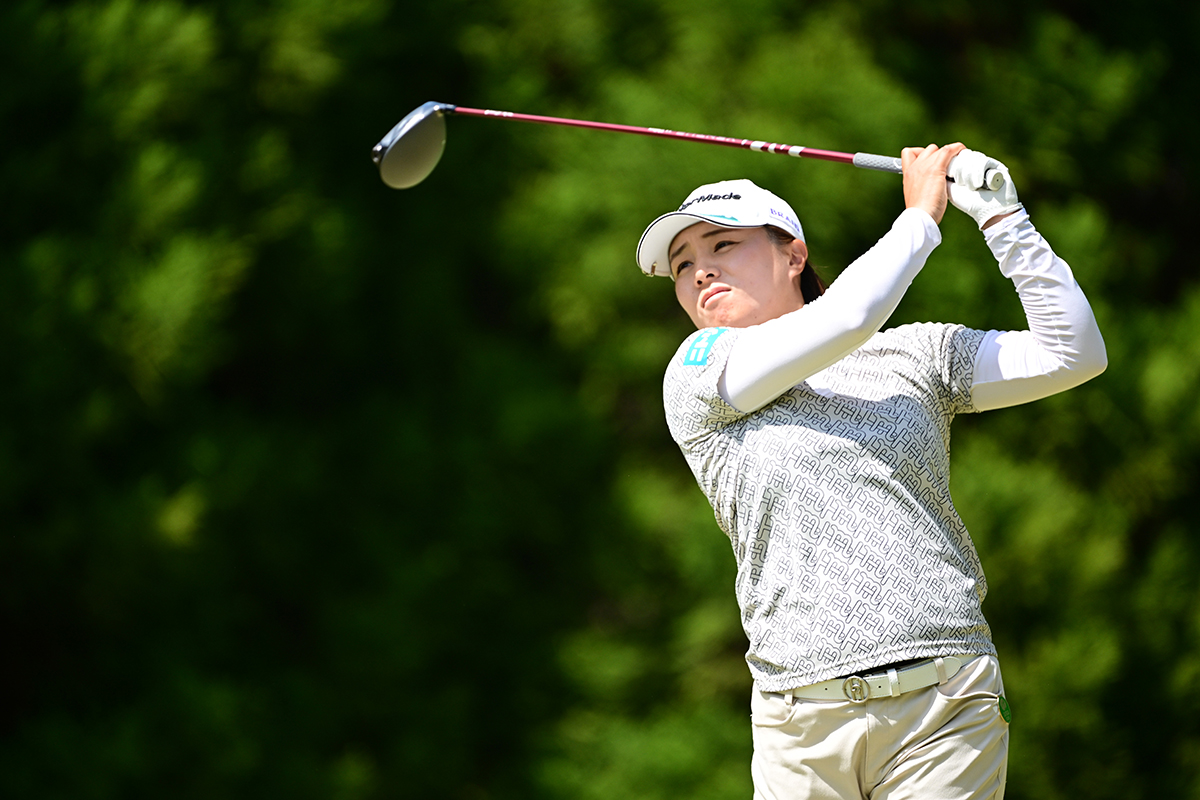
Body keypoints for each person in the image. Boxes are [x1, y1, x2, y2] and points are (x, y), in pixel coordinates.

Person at [634, 143, 1107, 800]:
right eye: (682, 265)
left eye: (722, 247)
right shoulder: (699, 370)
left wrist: (1003, 218)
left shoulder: (914, 354)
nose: (700, 273)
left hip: (943, 704)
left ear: (793, 254)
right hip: (798, 726)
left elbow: (1072, 354)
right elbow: (847, 317)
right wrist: (921, 218)